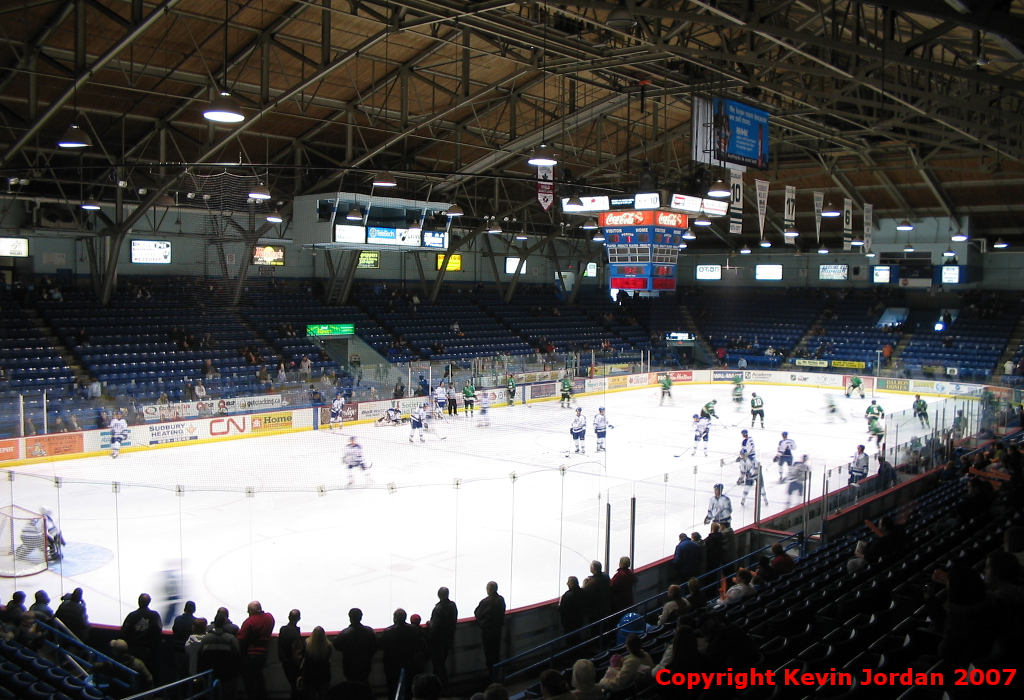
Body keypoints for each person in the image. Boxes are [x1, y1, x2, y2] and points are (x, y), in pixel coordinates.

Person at [379, 608, 427, 699]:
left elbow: (381, 645)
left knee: (392, 688)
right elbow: (418, 644)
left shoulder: (388, 632)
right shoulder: (413, 629)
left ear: (395, 618)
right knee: (409, 687)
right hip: (410, 663)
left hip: (392, 665)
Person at [199, 611, 242, 700]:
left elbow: (200, 657)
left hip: (211, 675)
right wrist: (236, 673)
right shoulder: (231, 639)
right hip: (228, 676)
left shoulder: (206, 639)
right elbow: (237, 656)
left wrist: (202, 673)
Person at [120, 593, 162, 683]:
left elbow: (124, 632)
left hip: (133, 649)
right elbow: (159, 630)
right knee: (146, 672)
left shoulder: (132, 616)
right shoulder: (154, 615)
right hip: (148, 650)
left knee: (135, 672)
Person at [238, 601, 274, 700]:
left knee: (250, 681)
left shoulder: (249, 622)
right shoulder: (269, 618)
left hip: (251, 655)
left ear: (253, 610)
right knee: (259, 678)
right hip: (263, 654)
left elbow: (241, 639)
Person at [332, 608, 377, 685]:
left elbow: (337, 645)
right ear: (361, 617)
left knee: (352, 685)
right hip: (365, 664)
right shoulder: (369, 632)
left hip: (349, 666)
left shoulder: (344, 633)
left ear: (350, 618)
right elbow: (375, 646)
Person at [474, 582, 506, 678]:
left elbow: (477, 613)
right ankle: (496, 675)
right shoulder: (501, 599)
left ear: (490, 590)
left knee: (489, 655)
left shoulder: (485, 602)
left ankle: (493, 677)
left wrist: (481, 624)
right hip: (498, 631)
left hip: (488, 632)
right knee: (496, 653)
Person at [428, 587, 458, 691]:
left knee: (438, 664)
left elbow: (434, 627)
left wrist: (430, 633)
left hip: (438, 641)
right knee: (440, 663)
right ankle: (438, 685)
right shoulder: (452, 606)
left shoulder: (439, 608)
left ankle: (442, 687)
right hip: (448, 639)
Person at [299, 627, 332, 700]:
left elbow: (304, 657)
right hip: (324, 675)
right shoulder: (328, 646)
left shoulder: (307, 645)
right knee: (323, 695)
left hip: (310, 675)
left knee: (310, 695)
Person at [737, 429, 765, 507]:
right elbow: (742, 471)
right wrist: (741, 478)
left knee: (761, 487)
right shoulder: (751, 439)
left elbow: (755, 466)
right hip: (751, 456)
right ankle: (743, 499)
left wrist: (750, 472)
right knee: (747, 488)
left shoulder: (745, 442)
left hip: (756, 473)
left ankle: (765, 499)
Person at [278, 609, 302, 700]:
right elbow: (297, 653)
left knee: (294, 686)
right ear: (299, 618)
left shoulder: (283, 629)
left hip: (285, 662)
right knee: (297, 687)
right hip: (293, 664)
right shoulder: (295, 635)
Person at [171, 601, 198, 680]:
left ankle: (180, 691)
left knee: (180, 675)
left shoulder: (178, 619)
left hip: (177, 650)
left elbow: (175, 630)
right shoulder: (195, 622)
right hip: (189, 652)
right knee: (190, 675)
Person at [558, 577, 586, 645]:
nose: (567, 583)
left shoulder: (567, 596)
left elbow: (561, 609)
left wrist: (559, 604)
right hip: (579, 619)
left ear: (572, 583)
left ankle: (571, 654)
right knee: (577, 636)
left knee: (570, 639)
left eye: (569, 582)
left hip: (569, 622)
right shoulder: (582, 592)